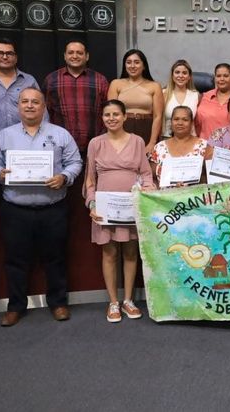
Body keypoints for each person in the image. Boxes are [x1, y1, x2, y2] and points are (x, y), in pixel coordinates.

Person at [0, 87, 83, 327]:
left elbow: (75, 162)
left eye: (35, 102)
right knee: (15, 259)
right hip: (15, 210)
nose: (30, 106)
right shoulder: (4, 136)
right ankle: (16, 306)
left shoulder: (60, 134)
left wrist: (64, 177)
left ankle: (58, 303)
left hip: (52, 208)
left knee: (56, 258)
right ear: (18, 106)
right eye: (25, 102)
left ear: (43, 107)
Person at [85, 100, 155, 323]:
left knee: (131, 253)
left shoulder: (137, 141)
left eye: (116, 114)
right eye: (107, 115)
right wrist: (92, 205)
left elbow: (146, 174)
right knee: (110, 253)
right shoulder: (95, 143)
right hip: (104, 210)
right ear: (102, 118)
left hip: (131, 208)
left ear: (125, 117)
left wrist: (147, 195)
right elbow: (90, 180)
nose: (112, 118)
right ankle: (113, 301)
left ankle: (128, 300)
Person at [43, 40, 109, 153]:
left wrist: (102, 138)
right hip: (60, 146)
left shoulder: (100, 80)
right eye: (71, 52)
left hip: (94, 146)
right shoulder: (51, 80)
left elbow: (107, 112)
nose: (75, 56)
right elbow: (45, 113)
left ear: (87, 56)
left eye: (79, 53)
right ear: (65, 56)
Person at [107, 49, 163, 152]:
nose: (132, 66)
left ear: (144, 66)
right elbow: (111, 114)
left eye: (136, 62)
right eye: (128, 62)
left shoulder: (154, 86)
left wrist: (152, 143)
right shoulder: (116, 84)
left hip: (146, 128)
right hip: (123, 128)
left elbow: (158, 116)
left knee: (146, 165)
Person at [151, 105, 208, 188]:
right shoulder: (159, 148)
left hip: (194, 198)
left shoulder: (204, 146)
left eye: (185, 120)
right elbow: (151, 178)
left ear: (192, 123)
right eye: (176, 119)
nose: (180, 123)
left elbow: (209, 178)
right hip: (165, 198)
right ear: (171, 122)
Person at [195, 63, 230, 140]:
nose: (221, 79)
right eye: (218, 76)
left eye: (225, 76)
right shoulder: (205, 96)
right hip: (204, 146)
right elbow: (196, 124)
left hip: (228, 148)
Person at [161, 59, 199, 139]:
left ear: (189, 77)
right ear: (172, 75)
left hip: (190, 139)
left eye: (184, 73)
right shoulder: (163, 94)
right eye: (177, 72)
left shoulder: (196, 95)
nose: (180, 76)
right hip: (168, 138)